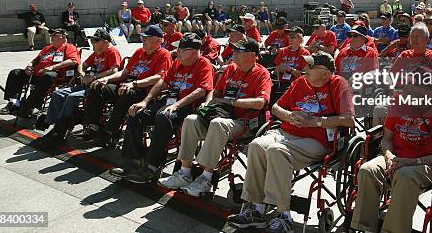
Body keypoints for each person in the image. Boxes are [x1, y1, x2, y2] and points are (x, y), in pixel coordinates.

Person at [228, 51, 354, 233]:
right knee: (256, 146)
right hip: (286, 132)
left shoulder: (339, 85)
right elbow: (276, 107)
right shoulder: (301, 82)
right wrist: (288, 115)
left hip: (316, 140)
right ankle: (257, 208)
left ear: (326, 73)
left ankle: (283, 215)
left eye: (311, 66)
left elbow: (349, 119)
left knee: (277, 151)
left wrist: (317, 121)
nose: (305, 69)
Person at [349, 69, 432, 233]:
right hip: (397, 157)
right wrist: (389, 157)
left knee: (405, 176)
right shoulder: (399, 100)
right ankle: (364, 227)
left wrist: (413, 162)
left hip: (429, 164)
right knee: (367, 170)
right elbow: (387, 138)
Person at [159, 38, 272, 196]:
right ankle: (184, 172)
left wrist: (231, 101)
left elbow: (261, 102)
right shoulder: (230, 69)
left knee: (218, 123)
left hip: (243, 122)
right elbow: (216, 92)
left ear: (252, 55)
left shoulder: (262, 74)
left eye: (239, 51)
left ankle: (206, 177)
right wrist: (209, 102)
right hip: (221, 114)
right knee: (191, 119)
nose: (234, 53)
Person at [113, 33, 214, 183]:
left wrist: (176, 105)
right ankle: (131, 161)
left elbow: (200, 90)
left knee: (163, 116)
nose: (176, 52)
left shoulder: (204, 64)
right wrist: (145, 101)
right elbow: (162, 82)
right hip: (168, 102)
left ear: (193, 52)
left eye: (180, 50)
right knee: (135, 112)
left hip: (186, 106)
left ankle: (152, 167)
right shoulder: (178, 63)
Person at [83, 25, 172, 144]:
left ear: (158, 40)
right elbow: (124, 72)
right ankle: (94, 125)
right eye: (143, 38)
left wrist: (134, 84)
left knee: (126, 92)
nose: (143, 40)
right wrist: (106, 79)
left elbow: (159, 78)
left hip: (143, 90)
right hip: (126, 84)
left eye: (146, 38)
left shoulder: (164, 54)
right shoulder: (139, 51)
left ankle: (110, 130)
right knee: (97, 86)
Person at [37, 29, 121, 147]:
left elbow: (114, 70)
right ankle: (51, 122)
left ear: (106, 42)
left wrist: (94, 77)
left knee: (72, 97)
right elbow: (82, 65)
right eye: (91, 40)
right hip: (87, 83)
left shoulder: (112, 52)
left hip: (98, 86)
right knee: (58, 94)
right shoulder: (96, 53)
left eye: (95, 40)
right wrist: (82, 74)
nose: (92, 43)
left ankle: (60, 129)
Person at [0, 29, 80, 117]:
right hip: (36, 74)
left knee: (47, 76)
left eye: (54, 35)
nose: (51, 37)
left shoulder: (69, 47)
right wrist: (29, 66)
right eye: (50, 35)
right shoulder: (48, 48)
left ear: (63, 36)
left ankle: (28, 106)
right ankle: (14, 103)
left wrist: (52, 67)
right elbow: (35, 60)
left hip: (55, 75)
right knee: (15, 73)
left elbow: (73, 60)